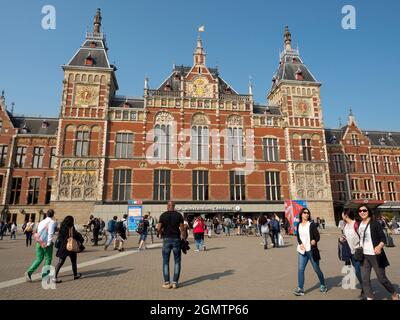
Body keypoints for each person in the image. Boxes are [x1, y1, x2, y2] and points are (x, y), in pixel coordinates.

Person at [357, 205, 399, 300]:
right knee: (365, 279)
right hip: (364, 255)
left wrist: (379, 246)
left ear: (369, 211)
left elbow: (383, 238)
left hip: (375, 254)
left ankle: (393, 293)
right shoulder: (359, 224)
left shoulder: (375, 223)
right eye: (360, 211)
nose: (362, 212)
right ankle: (370, 297)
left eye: (364, 210)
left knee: (381, 278)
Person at [293, 208, 327, 296]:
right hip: (302, 251)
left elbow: (317, 236)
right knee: (300, 269)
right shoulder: (298, 225)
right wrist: (300, 243)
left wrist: (314, 240)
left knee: (316, 269)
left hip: (311, 251)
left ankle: (323, 284)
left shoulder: (311, 224)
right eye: (304, 213)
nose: (306, 214)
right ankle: (300, 289)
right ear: (301, 214)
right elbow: (298, 237)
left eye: (308, 213)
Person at [157, 201, 186, 289]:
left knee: (166, 261)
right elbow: (182, 229)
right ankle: (175, 283)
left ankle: (166, 283)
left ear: (167, 206)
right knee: (177, 261)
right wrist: (184, 239)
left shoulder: (163, 215)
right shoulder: (179, 215)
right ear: (174, 206)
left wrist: (160, 233)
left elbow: (158, 228)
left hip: (166, 239)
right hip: (176, 239)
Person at [25, 210, 57, 282]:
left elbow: (38, 231)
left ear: (46, 214)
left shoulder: (41, 222)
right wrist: (48, 243)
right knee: (48, 258)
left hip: (39, 242)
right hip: (46, 243)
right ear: (53, 215)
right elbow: (50, 233)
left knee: (38, 259)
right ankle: (45, 276)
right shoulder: (52, 222)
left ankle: (29, 272)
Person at [53, 216, 84, 283]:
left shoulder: (62, 227)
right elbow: (76, 235)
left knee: (60, 262)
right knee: (73, 262)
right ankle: (75, 275)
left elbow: (60, 237)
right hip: (70, 247)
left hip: (63, 247)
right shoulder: (71, 228)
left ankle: (54, 277)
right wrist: (81, 239)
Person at [340, 209, 363, 298]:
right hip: (350, 252)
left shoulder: (356, 224)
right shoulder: (346, 225)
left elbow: (363, 236)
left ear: (346, 215)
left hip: (358, 251)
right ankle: (365, 287)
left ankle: (365, 289)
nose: (342, 215)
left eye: (342, 214)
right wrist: (342, 238)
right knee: (358, 271)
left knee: (358, 271)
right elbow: (347, 236)